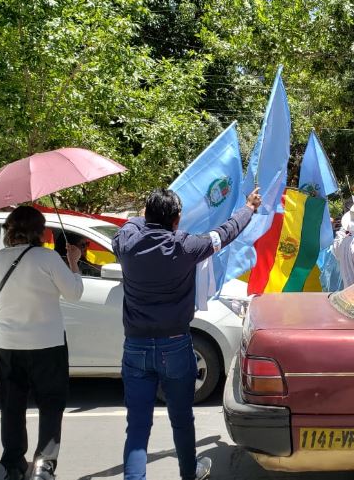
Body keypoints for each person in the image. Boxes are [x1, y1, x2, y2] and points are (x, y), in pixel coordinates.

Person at [112, 187, 261, 480]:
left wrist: (143, 216)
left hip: (136, 348)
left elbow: (131, 222)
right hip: (176, 346)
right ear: (177, 220)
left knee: (138, 426)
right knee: (181, 419)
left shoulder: (126, 243)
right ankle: (188, 474)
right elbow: (226, 232)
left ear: (148, 215)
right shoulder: (186, 246)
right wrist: (249, 208)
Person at [0, 206, 84, 480]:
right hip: (48, 343)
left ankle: (13, 465)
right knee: (51, 403)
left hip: (6, 345)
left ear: (9, 230)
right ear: (41, 231)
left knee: (12, 404)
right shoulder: (48, 258)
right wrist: (74, 261)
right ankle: (44, 464)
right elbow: (75, 294)